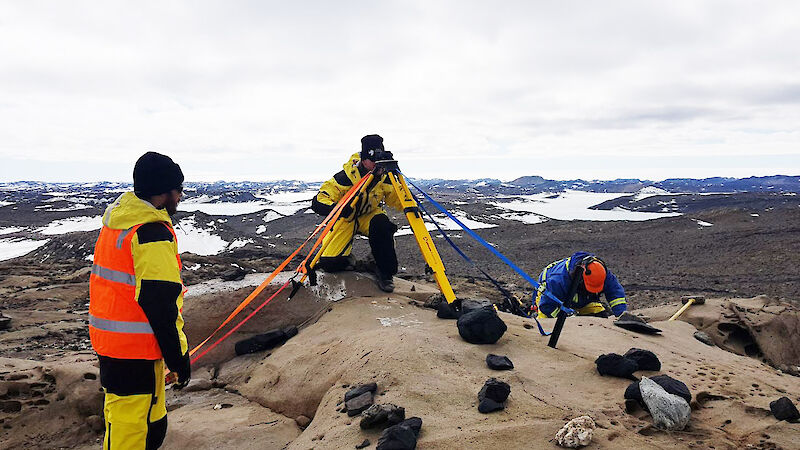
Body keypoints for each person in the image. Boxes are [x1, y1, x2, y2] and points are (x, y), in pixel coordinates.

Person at [88, 151, 190, 450]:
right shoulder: (151, 233)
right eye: (178, 190)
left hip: (114, 345)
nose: (180, 197)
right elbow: (160, 304)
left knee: (136, 423)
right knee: (134, 434)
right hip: (136, 351)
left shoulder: (120, 222)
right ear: (165, 192)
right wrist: (178, 359)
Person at [311, 134, 403, 292]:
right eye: (373, 161)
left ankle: (383, 270)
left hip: (370, 215)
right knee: (330, 263)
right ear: (365, 158)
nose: (376, 166)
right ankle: (351, 262)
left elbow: (398, 199)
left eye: (379, 161)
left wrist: (396, 177)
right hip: (347, 217)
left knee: (382, 224)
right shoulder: (346, 176)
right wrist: (338, 209)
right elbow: (319, 200)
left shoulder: (384, 176)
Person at [534, 251, 627, 319]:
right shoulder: (557, 280)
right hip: (553, 300)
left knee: (599, 316)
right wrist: (566, 318)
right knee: (546, 324)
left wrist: (621, 315)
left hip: (582, 298)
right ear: (580, 280)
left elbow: (616, 294)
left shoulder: (601, 272)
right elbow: (546, 306)